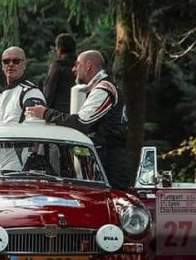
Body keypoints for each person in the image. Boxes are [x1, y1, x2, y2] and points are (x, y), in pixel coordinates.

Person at [26, 50, 130, 190]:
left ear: (88, 65)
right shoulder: (101, 88)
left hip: (110, 162)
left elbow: (81, 123)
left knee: (108, 206)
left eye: (77, 64)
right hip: (108, 158)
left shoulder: (103, 89)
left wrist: (46, 113)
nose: (73, 69)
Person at [0, 46, 46, 171]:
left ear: (24, 65)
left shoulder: (31, 93)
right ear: (2, 66)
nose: (10, 64)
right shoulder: (0, 97)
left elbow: (36, 132)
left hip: (21, 165)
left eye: (16, 61)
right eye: (6, 61)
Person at [43, 33, 77, 113]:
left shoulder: (58, 66)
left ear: (59, 49)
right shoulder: (81, 66)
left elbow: (49, 92)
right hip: (78, 111)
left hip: (58, 114)